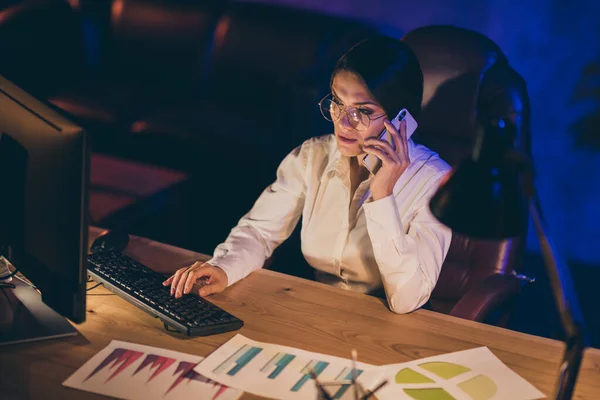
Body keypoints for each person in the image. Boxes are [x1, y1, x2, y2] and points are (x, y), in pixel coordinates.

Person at [163, 36, 452, 314]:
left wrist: (383, 194)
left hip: (386, 329)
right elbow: (259, 231)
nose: (342, 122)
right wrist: (223, 268)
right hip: (314, 311)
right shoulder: (313, 156)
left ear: (402, 120)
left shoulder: (434, 181)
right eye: (338, 102)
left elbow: (407, 299)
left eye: (362, 111)